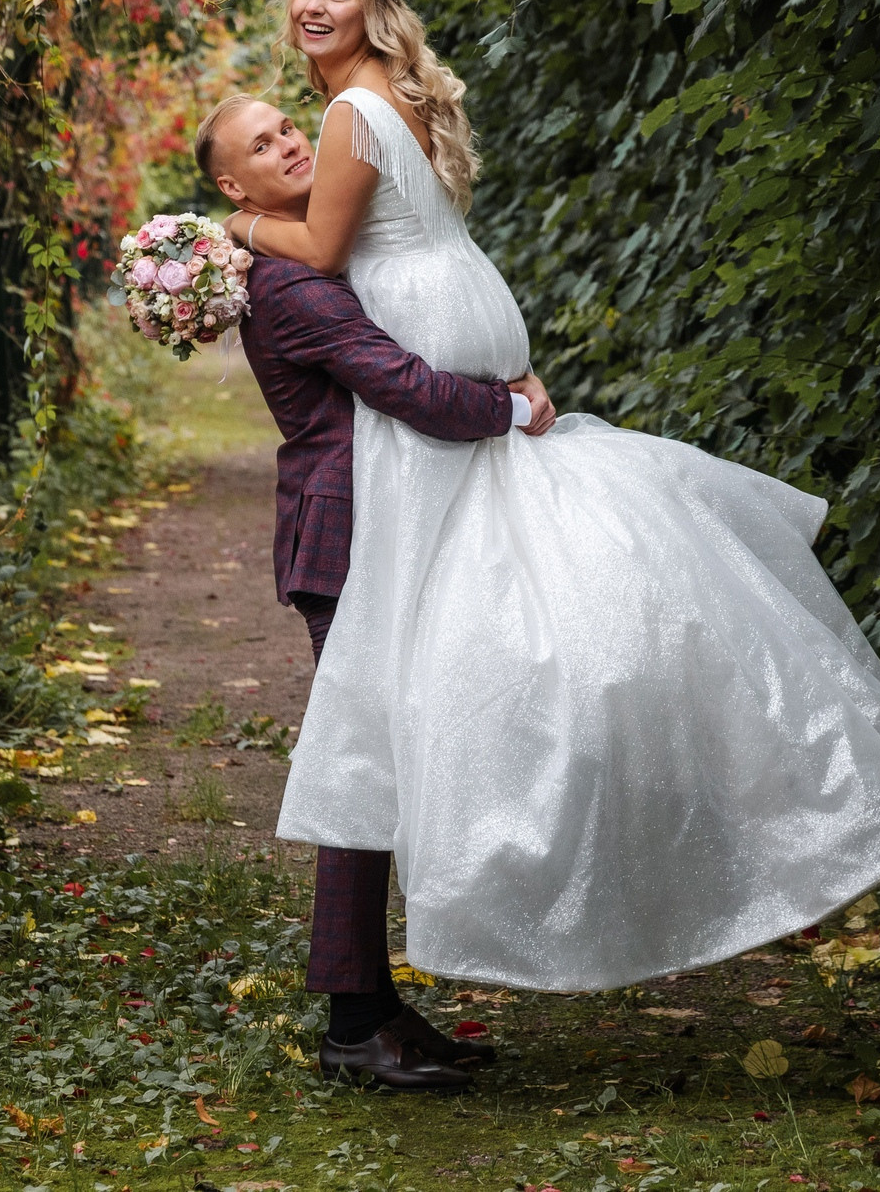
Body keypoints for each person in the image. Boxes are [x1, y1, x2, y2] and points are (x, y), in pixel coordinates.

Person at [211, 0, 880, 996]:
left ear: (376, 5)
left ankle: (474, 893)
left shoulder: (350, 110)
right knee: (497, 629)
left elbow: (326, 251)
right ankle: (383, 977)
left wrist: (239, 227)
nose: (315, 3)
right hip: (450, 378)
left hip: (443, 388)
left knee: (466, 650)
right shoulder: (392, 96)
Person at [192, 93, 555, 1091]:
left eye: (286, 127)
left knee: (384, 765)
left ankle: (378, 1009)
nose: (288, 142)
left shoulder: (311, 261)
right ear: (235, 188)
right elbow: (400, 383)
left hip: (370, 528)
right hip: (345, 539)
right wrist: (513, 408)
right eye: (261, 144)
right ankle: (354, 1022)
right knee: (364, 773)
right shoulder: (294, 288)